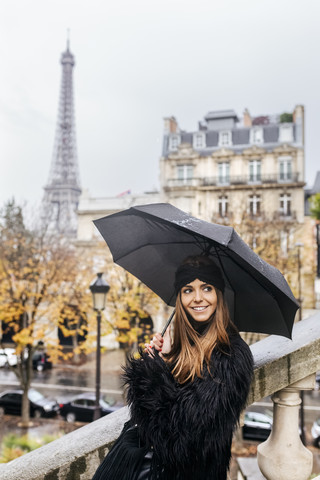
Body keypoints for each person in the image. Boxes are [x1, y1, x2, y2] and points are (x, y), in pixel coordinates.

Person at [92, 255, 253, 480]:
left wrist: (154, 373)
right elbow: (145, 416)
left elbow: (181, 442)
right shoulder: (182, 346)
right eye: (188, 290)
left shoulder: (231, 354)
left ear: (218, 294)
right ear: (179, 297)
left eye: (206, 288)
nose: (197, 298)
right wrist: (161, 359)